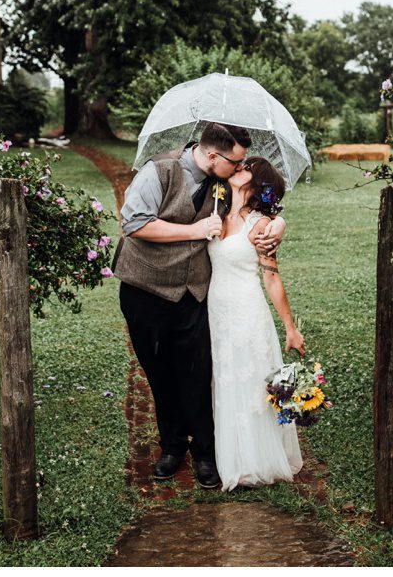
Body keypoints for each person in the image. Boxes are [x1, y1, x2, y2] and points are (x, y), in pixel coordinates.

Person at [113, 123, 286, 489]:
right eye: (236, 162)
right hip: (145, 289)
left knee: (196, 372)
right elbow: (134, 223)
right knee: (159, 373)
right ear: (212, 156)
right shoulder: (157, 171)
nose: (241, 168)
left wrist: (278, 224)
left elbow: (260, 209)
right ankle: (172, 447)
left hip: (194, 293)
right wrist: (193, 231)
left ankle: (205, 454)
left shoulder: (225, 185)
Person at [207, 156, 304, 491]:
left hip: (247, 312)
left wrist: (290, 328)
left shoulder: (261, 226)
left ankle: (253, 462)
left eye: (246, 168)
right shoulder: (216, 209)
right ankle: (230, 455)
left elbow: (272, 278)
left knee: (248, 383)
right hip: (216, 312)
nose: (237, 167)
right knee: (225, 380)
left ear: (256, 184)